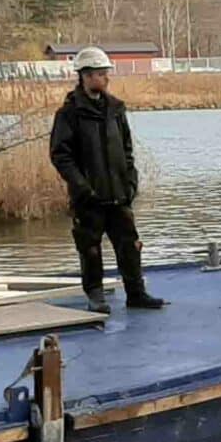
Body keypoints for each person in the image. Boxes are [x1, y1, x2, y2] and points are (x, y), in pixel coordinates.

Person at [47, 47, 167, 313]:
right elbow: (60, 155)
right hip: (88, 197)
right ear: (86, 76)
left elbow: (126, 149)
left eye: (106, 73)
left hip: (119, 193)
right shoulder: (68, 114)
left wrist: (131, 181)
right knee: (89, 248)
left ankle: (136, 294)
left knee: (130, 245)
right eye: (101, 74)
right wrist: (81, 186)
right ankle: (96, 296)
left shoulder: (115, 109)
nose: (106, 78)